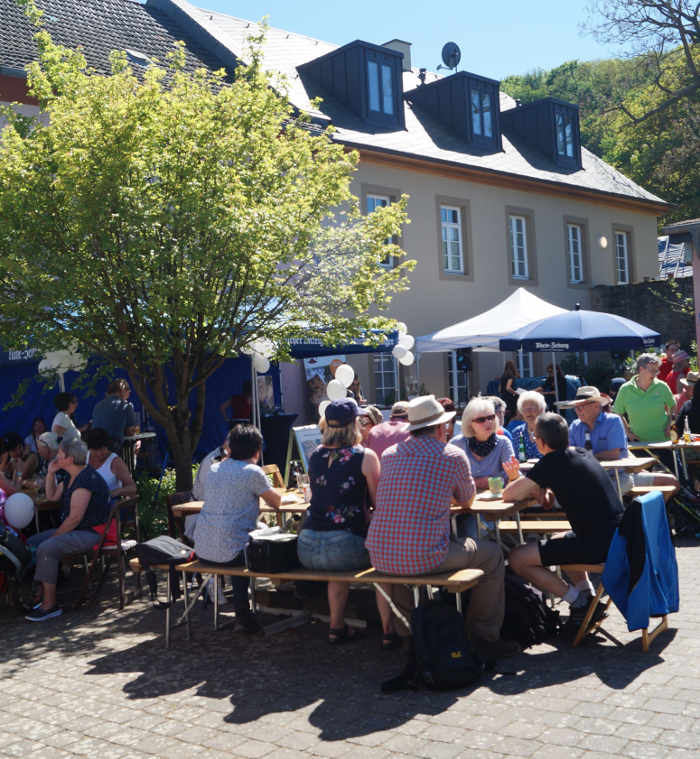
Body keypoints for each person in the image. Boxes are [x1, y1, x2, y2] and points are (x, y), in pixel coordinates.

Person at [366, 395, 518, 661]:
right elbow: (467, 500)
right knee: (493, 554)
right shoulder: (451, 454)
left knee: (401, 561)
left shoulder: (389, 455)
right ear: (440, 428)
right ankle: (483, 637)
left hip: (380, 554)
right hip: (427, 554)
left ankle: (410, 635)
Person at [503, 412, 624, 637]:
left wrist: (514, 478)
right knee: (560, 536)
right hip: (617, 538)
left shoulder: (550, 462)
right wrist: (540, 489)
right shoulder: (580, 453)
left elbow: (509, 495)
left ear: (540, 441)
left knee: (517, 558)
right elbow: (548, 500)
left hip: (598, 545)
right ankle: (587, 599)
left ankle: (577, 602)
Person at [297, 399, 380, 644]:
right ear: (355, 424)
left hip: (308, 545)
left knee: (337, 570)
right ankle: (391, 628)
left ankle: (337, 626)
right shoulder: (365, 456)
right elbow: (378, 503)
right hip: (346, 545)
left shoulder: (315, 456)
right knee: (386, 559)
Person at [193, 425, 281, 632]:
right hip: (233, 552)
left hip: (203, 549)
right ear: (257, 450)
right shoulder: (251, 471)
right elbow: (276, 502)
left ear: (229, 448)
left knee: (237, 537)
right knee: (250, 543)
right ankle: (247, 610)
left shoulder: (215, 469)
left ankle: (244, 612)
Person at [26, 439, 111, 622]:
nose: (57, 457)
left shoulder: (86, 479)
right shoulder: (69, 476)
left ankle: (50, 605)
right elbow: (51, 496)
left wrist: (55, 537)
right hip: (78, 530)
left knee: (47, 547)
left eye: (61, 455)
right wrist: (50, 474)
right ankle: (41, 590)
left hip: (92, 533)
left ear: (70, 459)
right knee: (32, 542)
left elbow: (75, 519)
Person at [565, 386, 677, 493]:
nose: (577, 411)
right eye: (576, 407)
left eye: (581, 406)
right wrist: (591, 457)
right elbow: (570, 456)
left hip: (617, 476)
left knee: (672, 482)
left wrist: (585, 457)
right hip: (587, 478)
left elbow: (613, 455)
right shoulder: (575, 426)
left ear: (596, 406)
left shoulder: (612, 421)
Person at [450, 398, 517, 491]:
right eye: (481, 420)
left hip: (497, 502)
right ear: (469, 424)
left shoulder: (503, 443)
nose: (488, 422)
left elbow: (512, 477)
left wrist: (511, 477)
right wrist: (478, 482)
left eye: (491, 417)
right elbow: (449, 480)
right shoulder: (456, 444)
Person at [613, 353, 675, 442]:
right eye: (652, 370)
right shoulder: (625, 389)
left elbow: (672, 407)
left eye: (656, 370)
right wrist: (627, 432)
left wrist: (670, 425)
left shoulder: (662, 386)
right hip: (638, 444)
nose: (656, 373)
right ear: (641, 369)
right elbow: (618, 413)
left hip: (663, 442)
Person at [85, 428, 137, 501]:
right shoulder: (83, 457)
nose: (99, 453)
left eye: (102, 449)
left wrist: (115, 492)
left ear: (107, 446)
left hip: (108, 503)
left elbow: (133, 488)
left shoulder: (116, 462)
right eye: (96, 450)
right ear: (89, 449)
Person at [91, 379, 139, 450]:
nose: (130, 391)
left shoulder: (97, 406)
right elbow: (131, 432)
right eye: (128, 389)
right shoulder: (126, 406)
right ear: (122, 390)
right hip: (114, 448)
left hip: (95, 447)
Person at [511, 391, 547, 460]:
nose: (528, 412)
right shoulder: (517, 432)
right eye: (524, 409)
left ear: (541, 409)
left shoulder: (550, 430)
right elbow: (515, 458)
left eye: (532, 408)